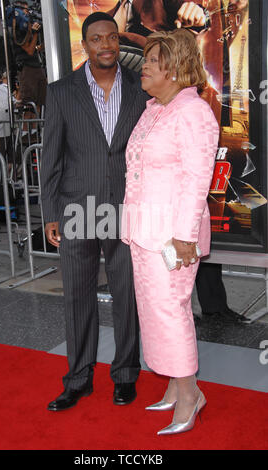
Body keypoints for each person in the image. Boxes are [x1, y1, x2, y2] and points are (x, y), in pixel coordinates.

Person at [40, 12, 148, 411]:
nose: (106, 45)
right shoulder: (62, 91)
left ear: (118, 42)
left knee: (126, 295)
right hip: (75, 209)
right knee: (78, 297)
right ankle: (78, 379)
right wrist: (50, 212)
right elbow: (50, 158)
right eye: (97, 38)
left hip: (126, 208)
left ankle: (125, 375)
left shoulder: (140, 87)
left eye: (112, 38)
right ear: (84, 45)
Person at [121, 29, 219, 434]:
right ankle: (180, 389)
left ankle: (190, 396)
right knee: (155, 314)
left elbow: (198, 179)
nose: (142, 67)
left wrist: (183, 237)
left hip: (172, 237)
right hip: (144, 231)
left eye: (151, 61)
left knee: (171, 313)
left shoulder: (193, 112)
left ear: (175, 68)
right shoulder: (154, 108)